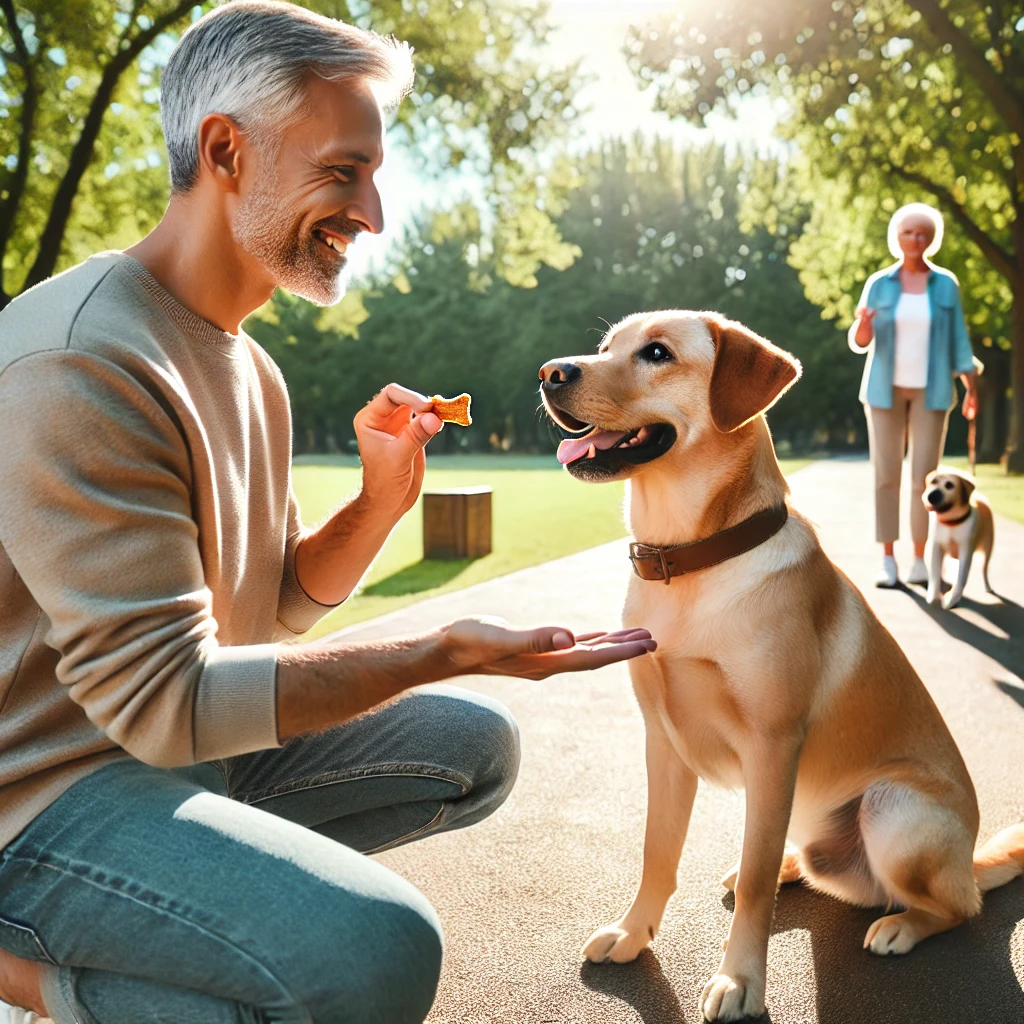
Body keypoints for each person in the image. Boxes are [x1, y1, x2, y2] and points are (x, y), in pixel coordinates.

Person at [0, 3, 656, 1022]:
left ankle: (209, 919)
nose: (375, 213)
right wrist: (442, 645)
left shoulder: (249, 365)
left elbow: (271, 610)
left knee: (472, 747)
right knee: (375, 952)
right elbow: (168, 700)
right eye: (343, 170)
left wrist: (379, 501)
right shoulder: (81, 359)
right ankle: (47, 966)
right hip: (39, 803)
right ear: (226, 149)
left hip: (177, 758)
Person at [849, 202, 979, 588]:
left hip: (933, 390)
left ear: (931, 239)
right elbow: (860, 342)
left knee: (926, 477)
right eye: (908, 232)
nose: (915, 239)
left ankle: (921, 559)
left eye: (923, 233)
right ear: (897, 237)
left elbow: (959, 341)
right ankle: (888, 559)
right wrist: (863, 324)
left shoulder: (946, 285)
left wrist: (972, 389)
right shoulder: (879, 283)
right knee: (886, 475)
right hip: (883, 391)